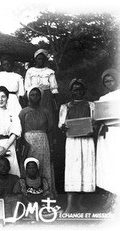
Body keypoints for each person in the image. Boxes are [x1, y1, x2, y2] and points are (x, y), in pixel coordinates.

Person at [59, 79, 95, 213]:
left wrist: (93, 128)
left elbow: (95, 122)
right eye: (75, 90)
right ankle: (69, 205)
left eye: (80, 89)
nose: (77, 92)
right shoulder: (65, 107)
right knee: (72, 170)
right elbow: (61, 124)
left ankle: (79, 203)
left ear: (84, 91)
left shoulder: (91, 105)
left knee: (85, 170)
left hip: (86, 142)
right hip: (73, 142)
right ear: (71, 92)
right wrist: (63, 127)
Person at [19, 86, 56, 196]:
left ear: (41, 96)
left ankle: (46, 194)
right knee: (30, 166)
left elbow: (50, 130)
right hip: (28, 142)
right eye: (32, 95)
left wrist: (51, 146)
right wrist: (21, 145)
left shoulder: (46, 111)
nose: (35, 97)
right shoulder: (23, 112)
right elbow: (19, 130)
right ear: (28, 97)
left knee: (44, 167)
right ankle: (29, 194)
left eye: (37, 95)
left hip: (43, 142)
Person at [96, 69, 120, 208]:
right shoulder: (102, 98)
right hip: (106, 135)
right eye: (106, 81)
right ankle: (111, 197)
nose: (109, 83)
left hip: (118, 132)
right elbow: (98, 118)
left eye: (111, 80)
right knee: (107, 165)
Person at [24, 49, 59, 117]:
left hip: (46, 96)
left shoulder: (49, 72)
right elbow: (27, 87)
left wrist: (56, 101)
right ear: (36, 59)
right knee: (34, 114)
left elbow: (54, 88)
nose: (41, 61)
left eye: (43, 59)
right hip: (34, 95)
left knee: (47, 114)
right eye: (39, 59)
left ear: (46, 60)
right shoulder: (30, 71)